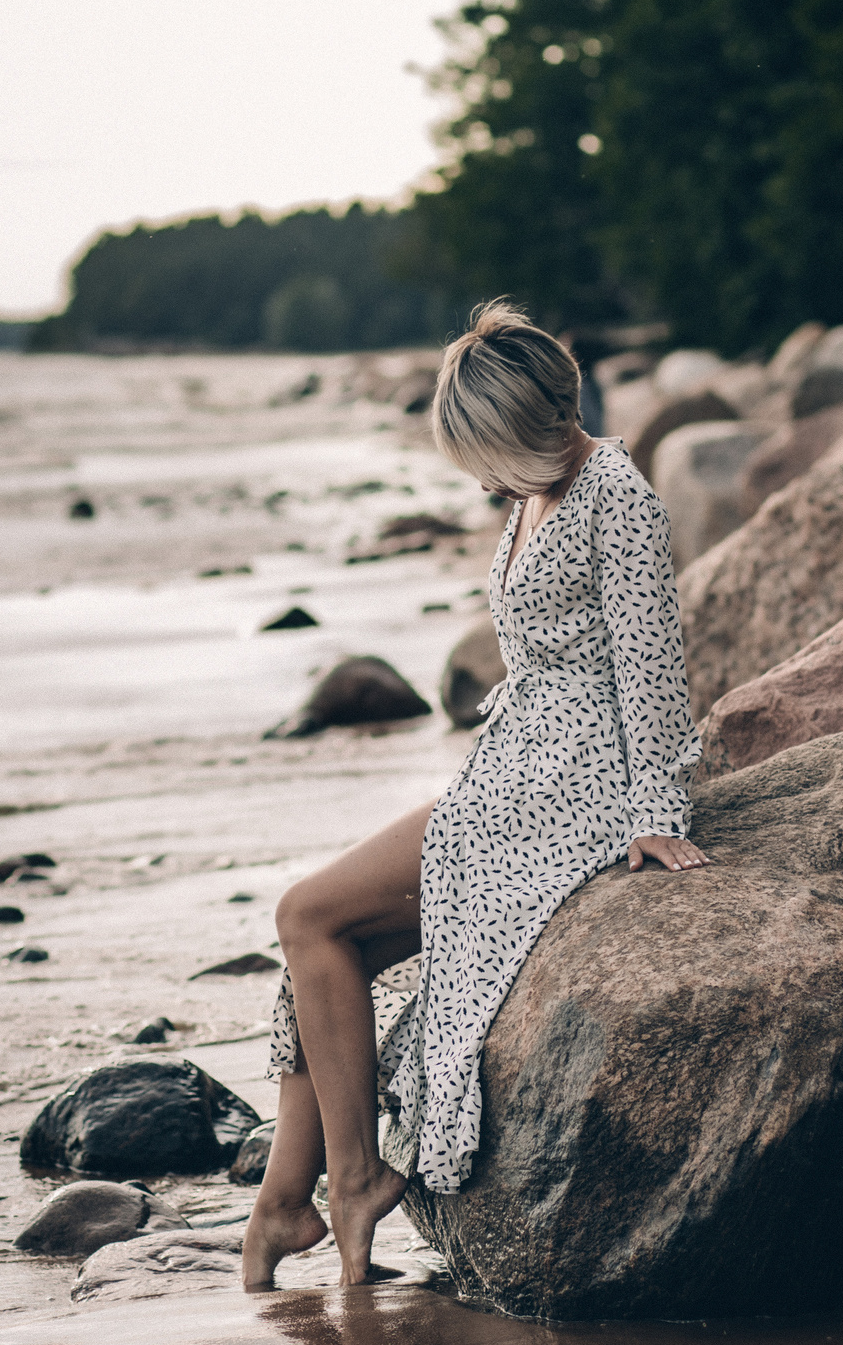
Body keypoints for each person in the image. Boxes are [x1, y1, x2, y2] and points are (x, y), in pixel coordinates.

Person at [241, 300, 711, 1291]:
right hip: (512, 770)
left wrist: (657, 815)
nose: (481, 478)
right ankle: (286, 1204)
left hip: (570, 788)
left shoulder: (615, 495)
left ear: (529, 428)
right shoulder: (538, 489)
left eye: (486, 455)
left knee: (306, 916)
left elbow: (654, 670)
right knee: (324, 954)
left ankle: (353, 1180)